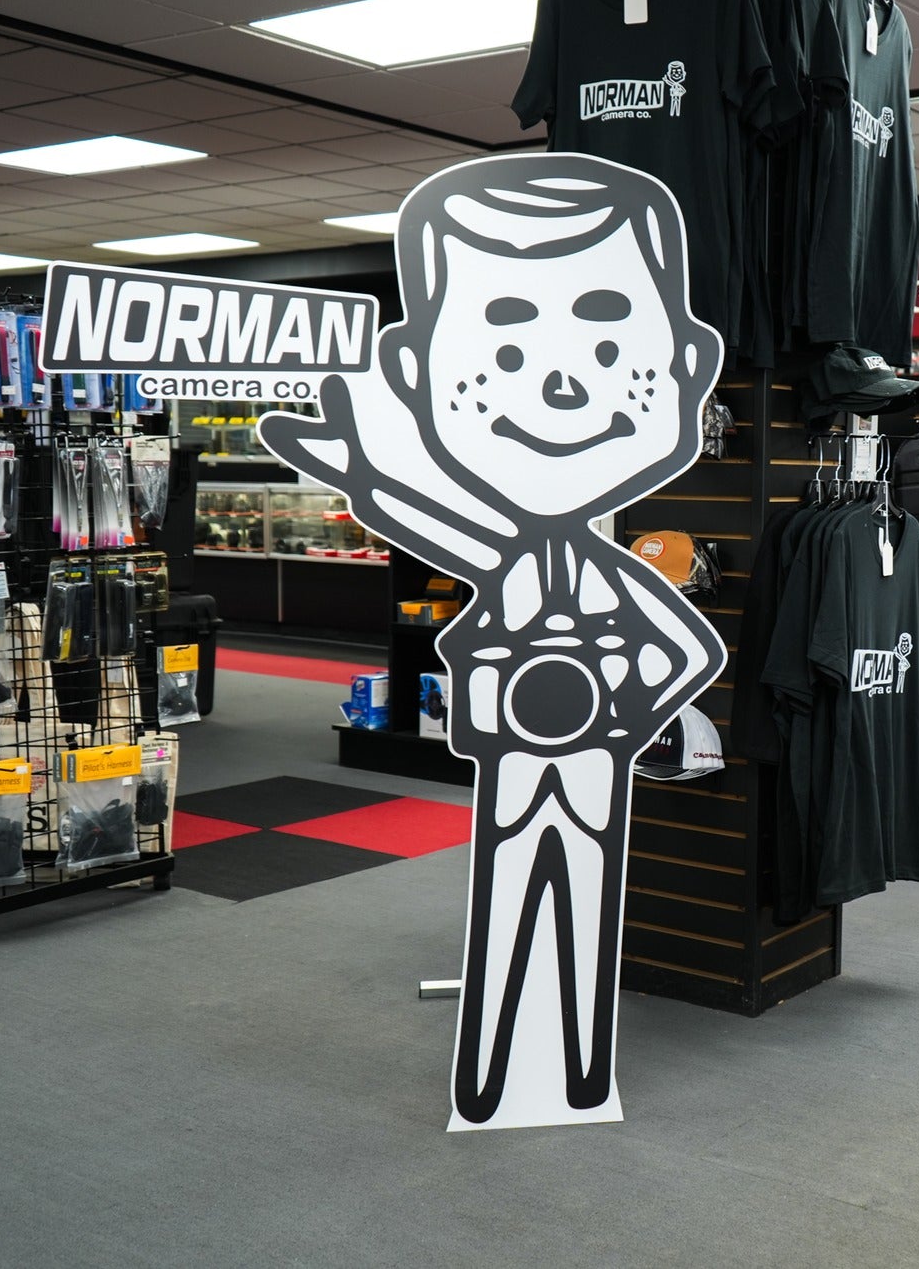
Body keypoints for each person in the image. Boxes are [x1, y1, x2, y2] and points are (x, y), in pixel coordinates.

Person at [259, 153, 725, 1131]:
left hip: (585, 763)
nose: (558, 385)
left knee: (583, 913)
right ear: (418, 375)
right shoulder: (510, 551)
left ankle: (579, 1077)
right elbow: (453, 527)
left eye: (607, 344)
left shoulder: (588, 569)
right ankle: (494, 1077)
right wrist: (375, 480)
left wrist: (615, 715)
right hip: (515, 761)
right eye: (504, 352)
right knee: (510, 908)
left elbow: (688, 653)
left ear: (686, 367)